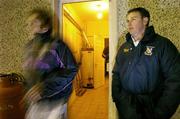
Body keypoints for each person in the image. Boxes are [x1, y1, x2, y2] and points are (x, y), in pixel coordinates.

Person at [112, 7, 180, 119]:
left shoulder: (163, 45)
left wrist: (161, 112)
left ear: (145, 21)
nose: (129, 23)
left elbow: (175, 80)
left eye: (133, 19)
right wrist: (119, 100)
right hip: (126, 108)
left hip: (152, 109)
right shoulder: (124, 47)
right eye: (127, 20)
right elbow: (116, 74)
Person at [21, 8, 78, 119]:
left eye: (34, 22)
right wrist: (27, 91)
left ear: (45, 27)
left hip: (54, 103)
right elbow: (30, 73)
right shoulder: (29, 47)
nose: (29, 25)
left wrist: (44, 87)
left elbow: (71, 70)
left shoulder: (58, 45)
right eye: (29, 22)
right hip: (35, 103)